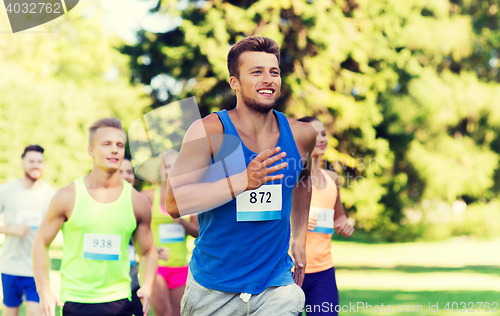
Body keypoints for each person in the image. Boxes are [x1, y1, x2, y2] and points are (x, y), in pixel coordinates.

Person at [165, 36, 317, 315]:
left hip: (276, 287)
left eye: (274, 72)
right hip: (213, 290)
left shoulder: (301, 134)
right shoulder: (209, 131)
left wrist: (299, 238)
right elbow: (174, 203)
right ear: (234, 82)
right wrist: (242, 181)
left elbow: (305, 179)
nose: (268, 79)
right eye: (256, 72)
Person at [32, 117, 158, 316]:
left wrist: (148, 285)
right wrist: (44, 290)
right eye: (107, 144)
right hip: (76, 301)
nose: (114, 150)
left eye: (119, 145)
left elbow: (149, 251)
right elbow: (40, 242)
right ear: (91, 150)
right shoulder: (67, 196)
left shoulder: (137, 202)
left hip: (120, 301)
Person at [296, 116, 354, 316]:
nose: (321, 139)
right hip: (289, 271)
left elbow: (339, 216)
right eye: (314, 134)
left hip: (323, 273)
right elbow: (271, 217)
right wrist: (296, 219)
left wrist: (344, 223)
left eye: (323, 133)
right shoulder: (287, 177)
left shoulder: (333, 179)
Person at [0, 145, 56, 316]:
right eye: (31, 161)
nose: (36, 165)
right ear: (22, 163)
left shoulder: (51, 194)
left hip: (37, 269)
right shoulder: (6, 190)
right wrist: (10, 229)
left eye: (40, 162)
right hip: (10, 267)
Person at [141, 150, 199, 316]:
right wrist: (151, 250)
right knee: (163, 314)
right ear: (160, 169)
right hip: (157, 266)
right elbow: (136, 230)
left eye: (176, 166)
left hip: (180, 266)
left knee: (178, 314)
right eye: (167, 166)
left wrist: (181, 222)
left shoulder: (190, 196)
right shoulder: (149, 196)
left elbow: (198, 232)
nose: (171, 170)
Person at [118, 157, 144, 316]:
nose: (127, 175)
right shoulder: (103, 204)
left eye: (129, 171)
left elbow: (138, 241)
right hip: (110, 286)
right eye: (121, 171)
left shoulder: (138, 204)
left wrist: (154, 250)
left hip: (133, 282)